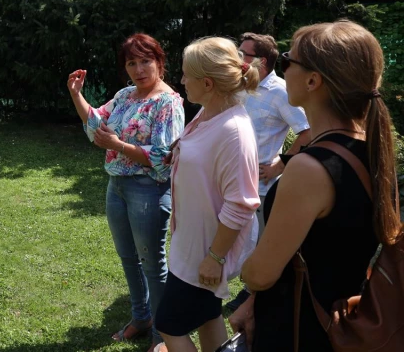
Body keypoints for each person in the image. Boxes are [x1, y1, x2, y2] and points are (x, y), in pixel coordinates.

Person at [230, 20, 401, 351]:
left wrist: (246, 273)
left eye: (286, 60)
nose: (283, 70)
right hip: (342, 318)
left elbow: (262, 273)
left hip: (298, 328)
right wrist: (253, 302)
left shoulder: (309, 168)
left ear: (313, 80)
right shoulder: (372, 149)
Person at [67, 33, 184, 349]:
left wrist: (119, 145)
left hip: (148, 190)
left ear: (159, 62)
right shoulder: (125, 95)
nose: (139, 69)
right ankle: (141, 317)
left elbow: (164, 157)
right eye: (132, 63)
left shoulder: (167, 103)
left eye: (145, 60)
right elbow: (96, 125)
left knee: (151, 263)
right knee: (128, 258)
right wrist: (77, 95)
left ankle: (164, 335)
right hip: (116, 186)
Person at [153, 37, 260, 352]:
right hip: (192, 244)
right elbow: (203, 155)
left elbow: (241, 205)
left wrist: (214, 258)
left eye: (187, 75)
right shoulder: (207, 113)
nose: (182, 81)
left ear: (208, 83)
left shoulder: (234, 131)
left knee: (169, 326)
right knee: (208, 316)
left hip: (206, 252)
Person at [226, 33, 311, 311]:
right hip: (229, 178)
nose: (238, 58)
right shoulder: (239, 86)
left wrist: (280, 164)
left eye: (243, 54)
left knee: (258, 242)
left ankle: (253, 295)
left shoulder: (281, 92)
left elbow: (307, 133)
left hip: (259, 184)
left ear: (260, 61)